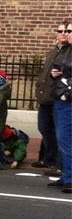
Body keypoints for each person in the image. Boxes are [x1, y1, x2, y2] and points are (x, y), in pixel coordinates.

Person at [32, 23, 70, 171]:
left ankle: (60, 164)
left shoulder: (68, 52)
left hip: (58, 97)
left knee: (60, 133)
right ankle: (49, 158)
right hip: (45, 97)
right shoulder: (54, 51)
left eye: (67, 31)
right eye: (60, 31)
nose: (63, 33)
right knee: (44, 128)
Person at [49, 19, 72, 194]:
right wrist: (55, 74)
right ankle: (66, 176)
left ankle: (70, 178)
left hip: (67, 102)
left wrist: (67, 95)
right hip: (60, 100)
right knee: (63, 140)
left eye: (70, 31)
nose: (67, 34)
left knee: (66, 141)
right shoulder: (69, 51)